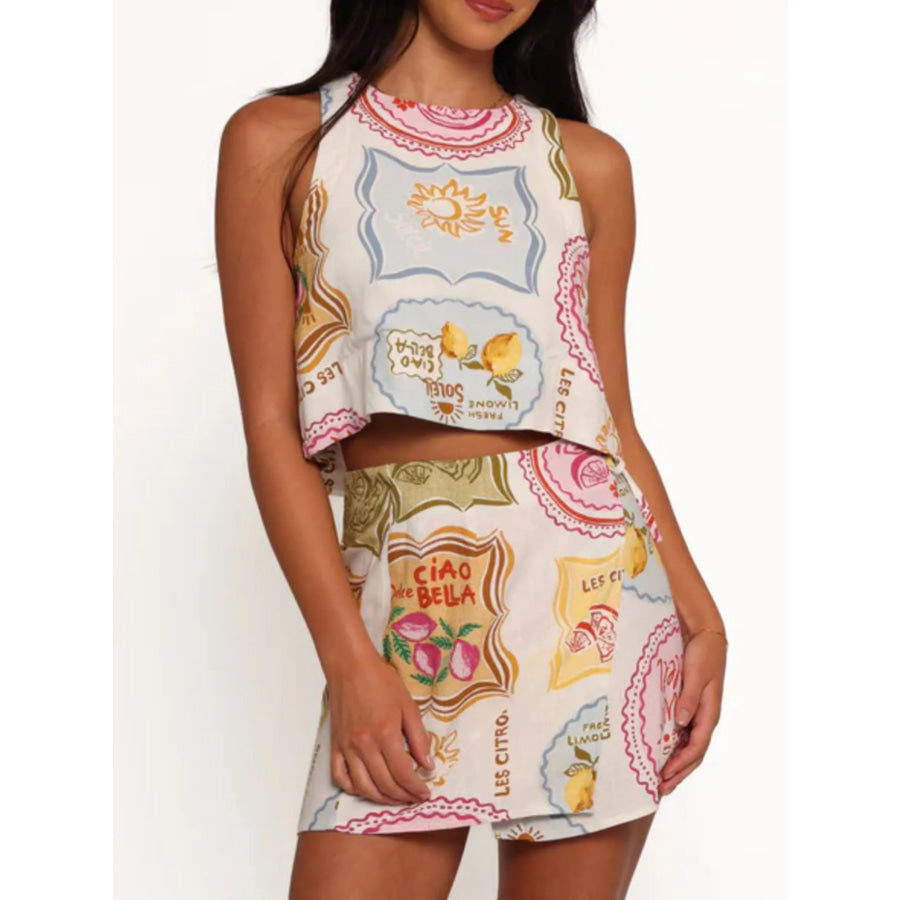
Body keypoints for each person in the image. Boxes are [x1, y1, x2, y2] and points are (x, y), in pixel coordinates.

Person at [214, 2, 727, 898]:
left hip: (594, 602)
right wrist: (348, 660)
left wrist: (700, 616)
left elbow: (610, 419)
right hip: (406, 609)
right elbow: (271, 428)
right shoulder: (282, 141)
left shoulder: (587, 164)